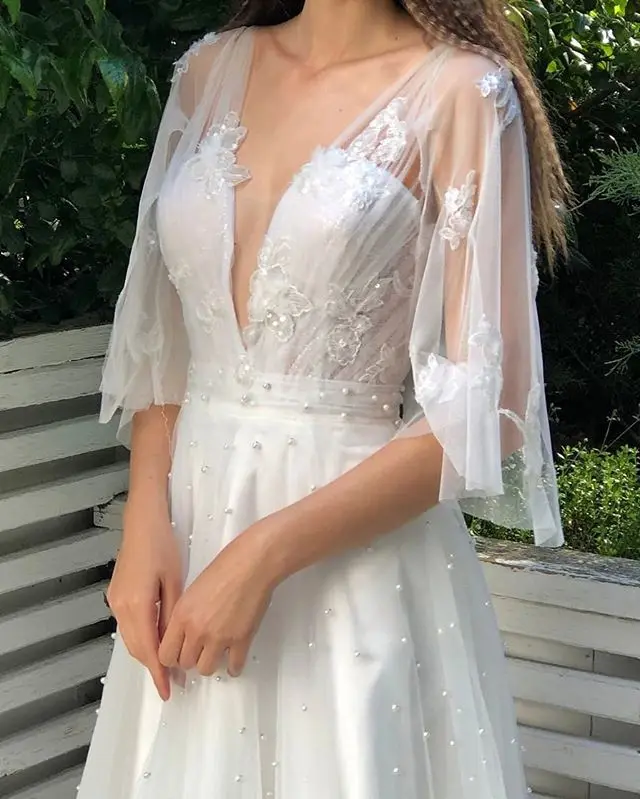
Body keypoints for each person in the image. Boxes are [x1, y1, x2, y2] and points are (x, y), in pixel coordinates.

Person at [77, 0, 568, 796]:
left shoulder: (463, 91)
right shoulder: (210, 69)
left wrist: (263, 554)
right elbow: (164, 340)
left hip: (352, 561)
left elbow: (492, 405)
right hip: (189, 539)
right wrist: (144, 523)